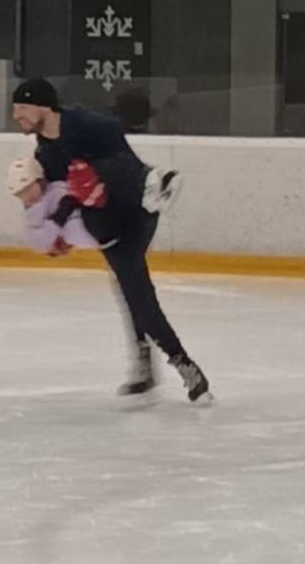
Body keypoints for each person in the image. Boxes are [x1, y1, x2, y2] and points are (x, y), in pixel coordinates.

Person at [11, 76, 212, 406]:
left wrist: (100, 179)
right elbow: (65, 196)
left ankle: (156, 183)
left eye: (21, 107)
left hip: (138, 207)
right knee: (135, 294)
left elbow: (121, 155)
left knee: (91, 171)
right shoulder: (45, 154)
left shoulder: (87, 124)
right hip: (106, 224)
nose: (16, 115)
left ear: (43, 106)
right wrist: (60, 230)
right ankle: (180, 365)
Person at [7, 155, 97, 257]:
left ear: (39, 181)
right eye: (20, 194)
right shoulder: (33, 211)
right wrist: (59, 217)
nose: (26, 196)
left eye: (28, 188)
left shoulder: (57, 188)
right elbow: (38, 240)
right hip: (96, 237)